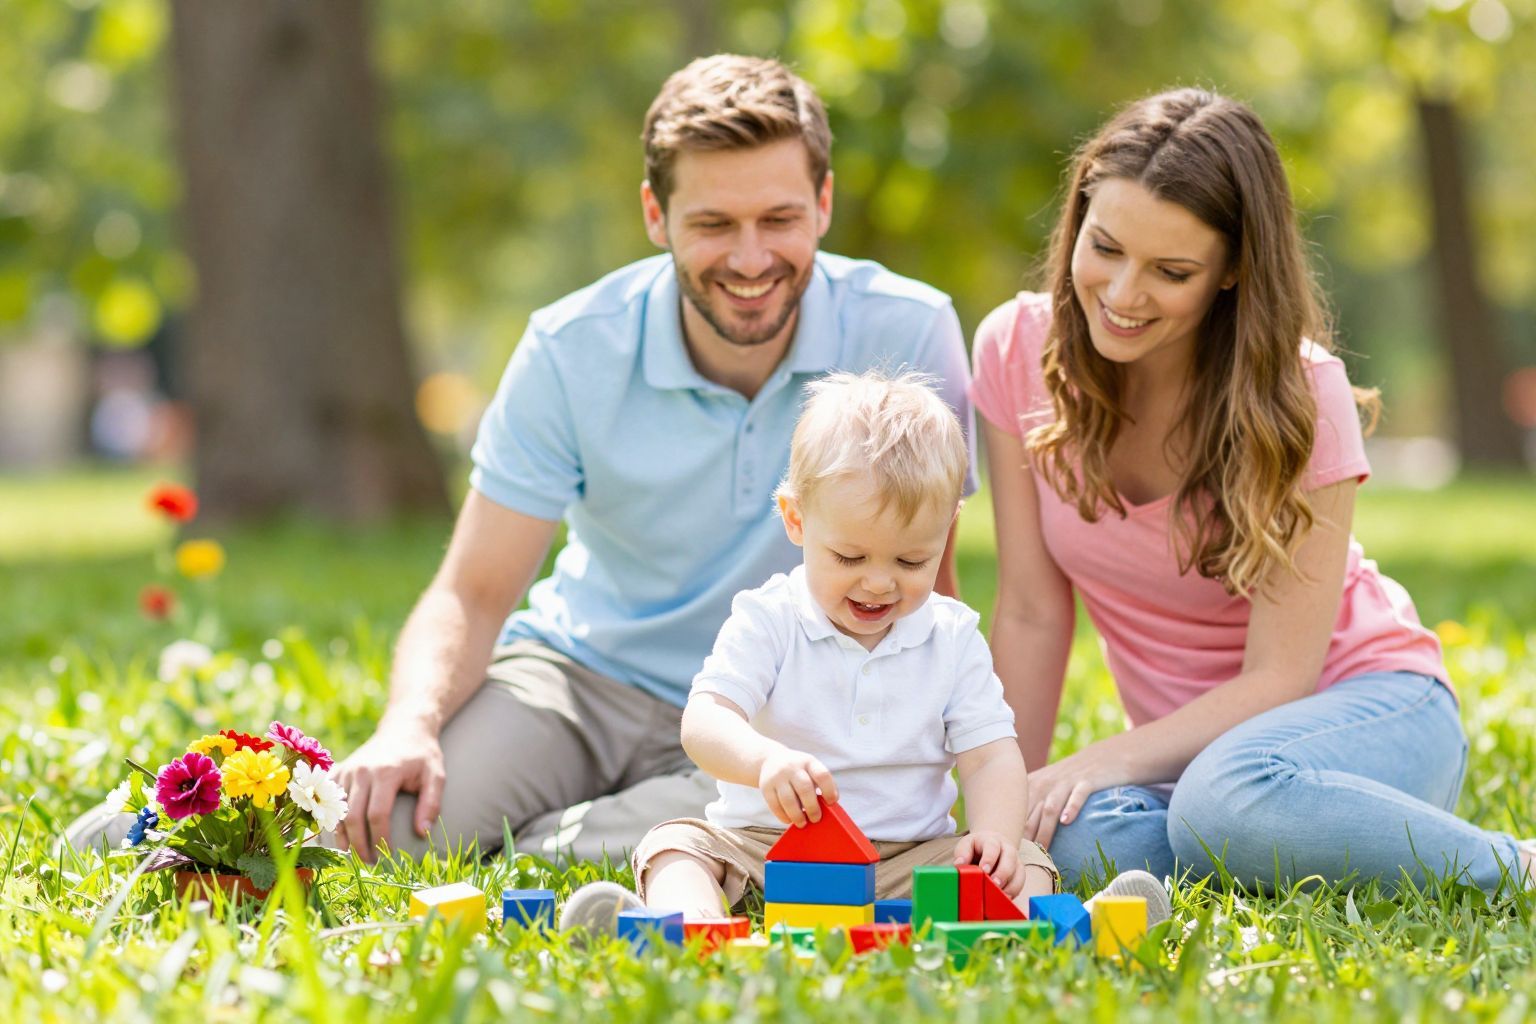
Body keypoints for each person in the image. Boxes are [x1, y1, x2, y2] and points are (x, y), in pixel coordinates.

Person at [319, 56, 976, 864]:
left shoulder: (908, 331)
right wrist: (410, 723)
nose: (748, 258)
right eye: (712, 224)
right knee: (390, 833)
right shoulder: (571, 347)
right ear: (655, 216)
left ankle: (554, 846)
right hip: (578, 681)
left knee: (777, 840)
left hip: (780, 706)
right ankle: (145, 825)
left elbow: (928, 587)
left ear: (825, 204)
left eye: (779, 219)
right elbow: (475, 587)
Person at [971, 87, 1535, 892]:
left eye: (1171, 271)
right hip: (1187, 765)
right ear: (1078, 219)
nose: (1124, 294)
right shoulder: (1015, 349)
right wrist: (1003, 822)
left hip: (1364, 711)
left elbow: (1282, 677)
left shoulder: (1303, 395)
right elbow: (1030, 610)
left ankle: (1511, 867)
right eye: (1105, 248)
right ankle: (1280, 844)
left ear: (1233, 270)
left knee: (1226, 800)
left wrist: (1106, 757)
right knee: (1073, 840)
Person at [626, 371, 1058, 919]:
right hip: (768, 847)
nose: (879, 583)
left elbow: (991, 755)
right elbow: (704, 721)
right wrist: (764, 761)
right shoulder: (770, 618)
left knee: (1025, 858)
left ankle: (1021, 928)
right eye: (850, 558)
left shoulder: (951, 637)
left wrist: (995, 836)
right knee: (676, 846)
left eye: (910, 561)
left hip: (910, 856)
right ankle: (694, 923)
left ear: (947, 529)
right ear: (796, 520)